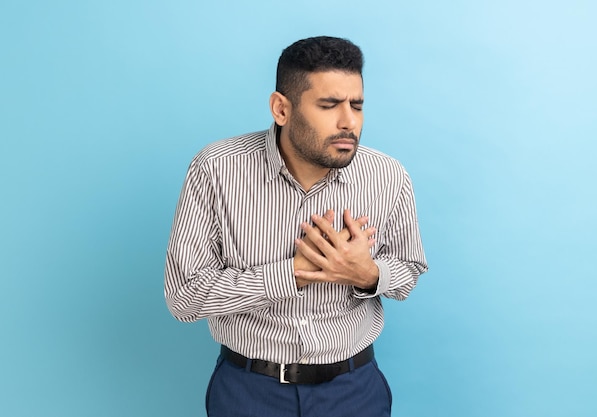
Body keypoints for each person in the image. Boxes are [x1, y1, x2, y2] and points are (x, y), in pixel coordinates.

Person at [164, 36, 428, 417]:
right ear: (281, 109)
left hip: (354, 391)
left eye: (357, 105)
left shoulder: (388, 177)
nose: (348, 121)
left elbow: (408, 274)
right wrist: (291, 275)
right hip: (249, 391)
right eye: (329, 105)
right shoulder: (215, 170)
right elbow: (185, 298)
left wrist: (367, 273)